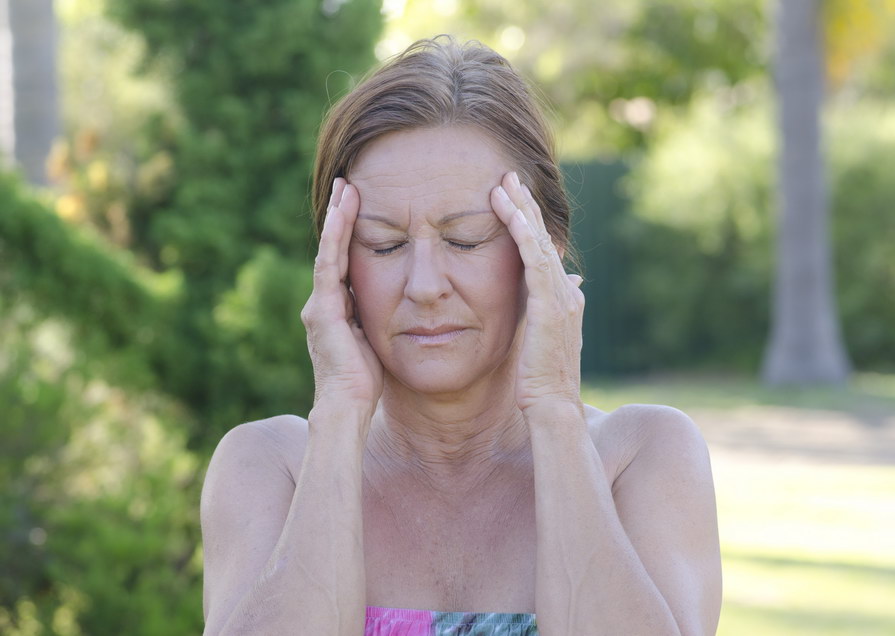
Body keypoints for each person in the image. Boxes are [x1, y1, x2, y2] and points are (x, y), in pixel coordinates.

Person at [199, 36, 722, 636]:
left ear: (542, 252)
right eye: (385, 244)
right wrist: (340, 412)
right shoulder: (272, 470)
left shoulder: (642, 458)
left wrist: (553, 406)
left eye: (466, 239)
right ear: (338, 262)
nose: (424, 285)